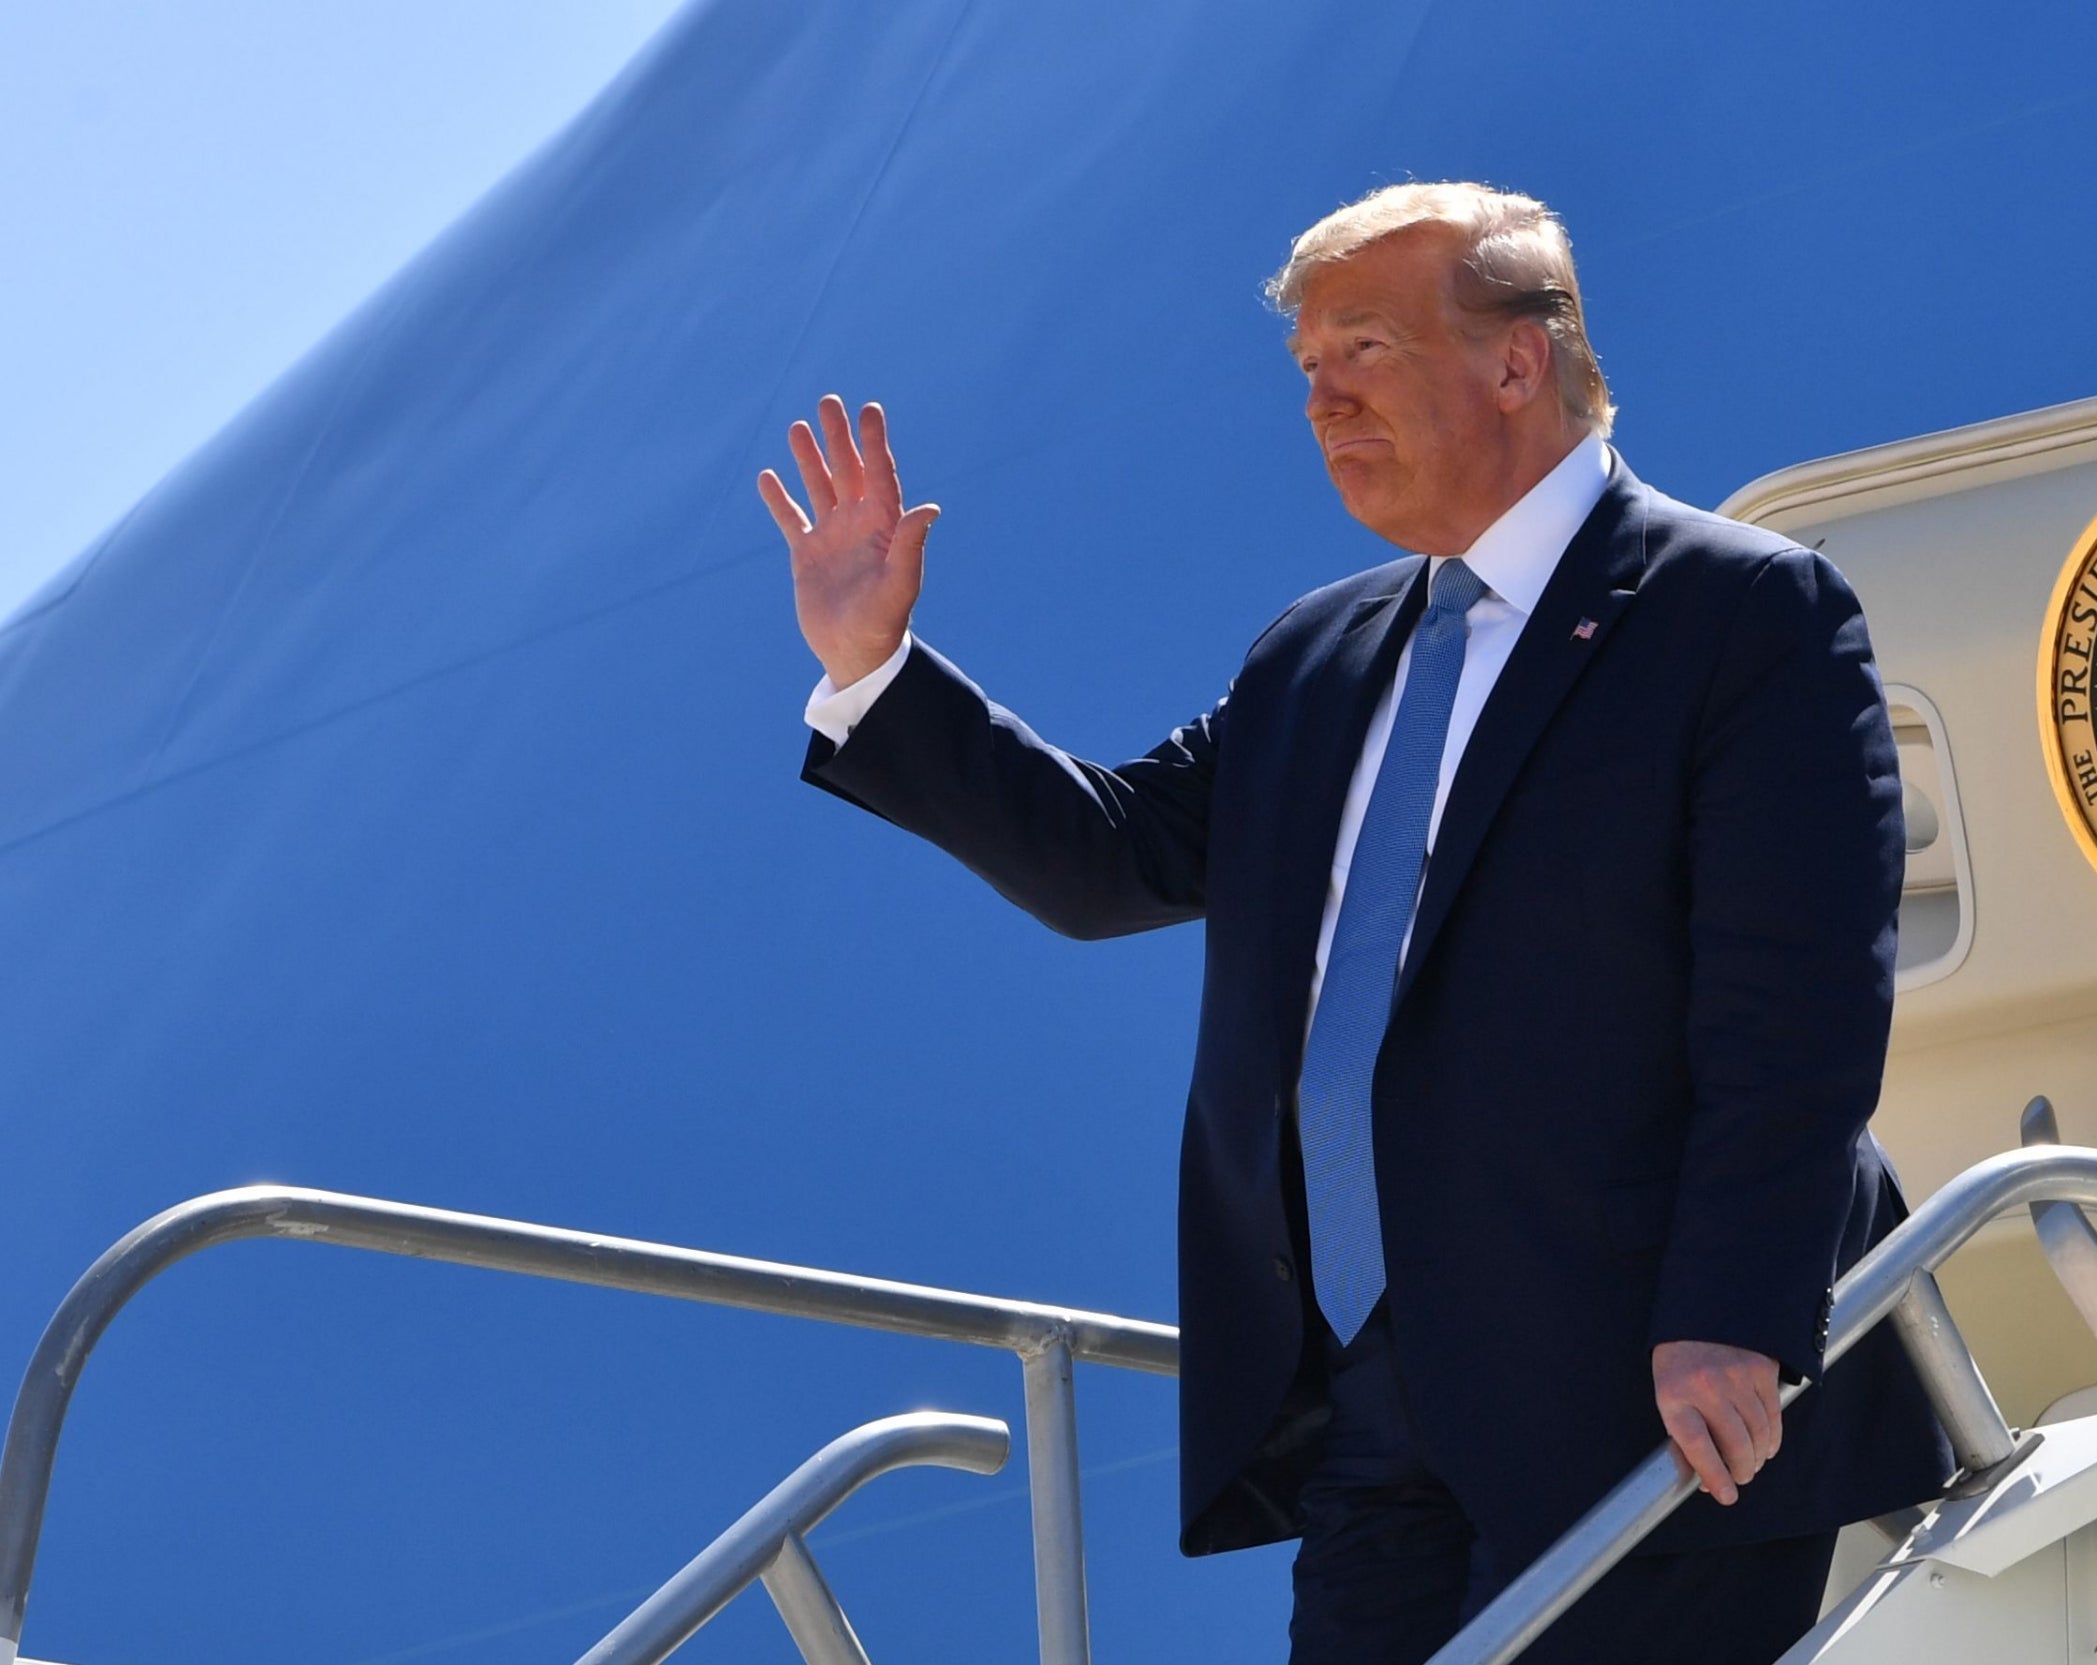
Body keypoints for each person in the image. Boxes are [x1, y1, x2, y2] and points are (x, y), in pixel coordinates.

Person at [761, 182, 1950, 1664]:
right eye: (1307, 368)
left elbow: (1801, 1008)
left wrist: (1734, 1310)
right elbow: (1107, 857)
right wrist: (875, 664)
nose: (1321, 400)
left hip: (1650, 1384)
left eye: (1365, 350)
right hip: (1376, 1404)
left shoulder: (1739, 611)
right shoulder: (1315, 658)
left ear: (1520, 359)